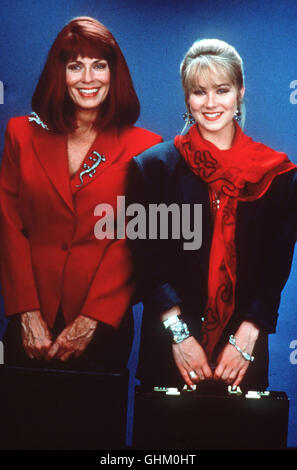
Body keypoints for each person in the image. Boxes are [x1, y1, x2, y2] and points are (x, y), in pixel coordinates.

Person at [128, 38, 297, 391]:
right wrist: (179, 336)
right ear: (186, 98)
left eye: (221, 90)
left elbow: (274, 268)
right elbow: (148, 263)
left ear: (239, 93)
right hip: (169, 352)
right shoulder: (153, 168)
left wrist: (249, 336)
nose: (210, 103)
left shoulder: (278, 175)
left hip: (244, 354)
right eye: (198, 92)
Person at [0, 16, 162, 372]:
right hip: (30, 321)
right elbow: (8, 225)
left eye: (99, 65)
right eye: (76, 66)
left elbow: (133, 237)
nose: (88, 78)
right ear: (60, 74)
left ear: (114, 73)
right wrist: (26, 312)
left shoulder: (145, 147)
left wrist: (92, 318)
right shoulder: (21, 135)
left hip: (102, 324)